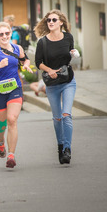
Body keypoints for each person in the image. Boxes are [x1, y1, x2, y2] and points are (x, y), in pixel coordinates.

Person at [0, 22, 32, 168]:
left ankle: (11, 155)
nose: (4, 36)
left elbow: (24, 58)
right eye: (1, 34)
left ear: (10, 34)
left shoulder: (17, 48)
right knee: (2, 125)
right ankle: (0, 141)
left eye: (7, 34)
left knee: (12, 120)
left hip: (15, 88)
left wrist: (26, 64)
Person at [34, 9, 77, 164]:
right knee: (57, 118)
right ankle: (60, 145)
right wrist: (50, 70)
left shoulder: (68, 38)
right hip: (52, 84)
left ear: (61, 22)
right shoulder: (42, 42)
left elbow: (69, 56)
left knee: (66, 115)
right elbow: (38, 63)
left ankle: (67, 149)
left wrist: (74, 53)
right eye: (48, 20)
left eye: (53, 20)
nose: (50, 22)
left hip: (68, 82)